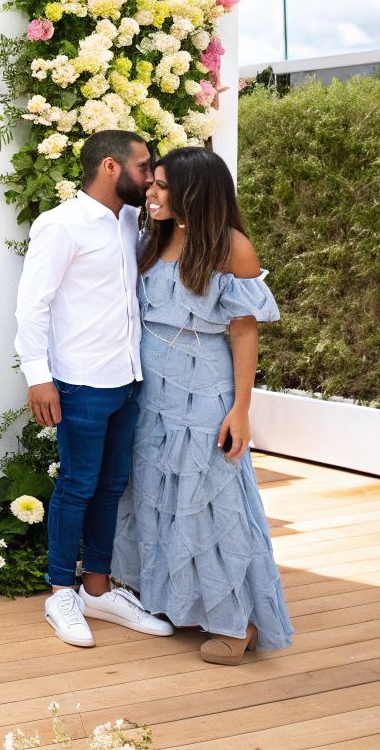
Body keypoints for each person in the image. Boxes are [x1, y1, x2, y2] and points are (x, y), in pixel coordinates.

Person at [112, 145, 293, 664]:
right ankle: (175, 601)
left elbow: (243, 332)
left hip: (205, 388)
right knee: (155, 490)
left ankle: (239, 622)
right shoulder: (154, 239)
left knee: (214, 498)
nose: (151, 192)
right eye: (153, 183)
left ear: (195, 191)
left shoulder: (232, 247)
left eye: (163, 185)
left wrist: (241, 409)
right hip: (151, 388)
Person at [15, 129, 175, 648]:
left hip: (128, 379)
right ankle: (61, 591)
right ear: (111, 167)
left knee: (111, 487)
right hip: (80, 382)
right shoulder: (60, 226)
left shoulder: (132, 220)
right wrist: (37, 376)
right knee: (77, 487)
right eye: (143, 166)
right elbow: (32, 304)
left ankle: (98, 590)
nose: (150, 176)